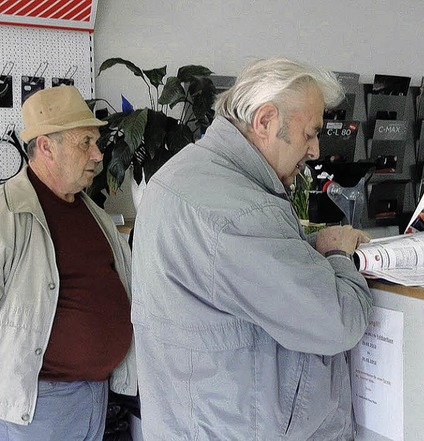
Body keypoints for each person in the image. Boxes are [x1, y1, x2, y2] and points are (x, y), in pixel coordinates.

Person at [131, 58, 373, 440]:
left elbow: (232, 275)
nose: (315, 150)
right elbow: (338, 323)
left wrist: (311, 247)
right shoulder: (243, 212)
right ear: (264, 122)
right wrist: (340, 257)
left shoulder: (181, 175)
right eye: (310, 133)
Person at [0, 85, 137, 440]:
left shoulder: (92, 212)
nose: (98, 155)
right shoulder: (6, 212)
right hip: (39, 406)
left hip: (95, 395)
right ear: (46, 146)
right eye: (85, 142)